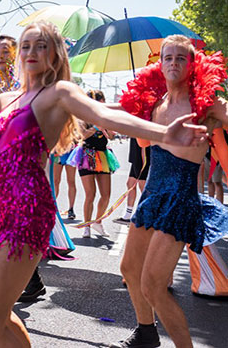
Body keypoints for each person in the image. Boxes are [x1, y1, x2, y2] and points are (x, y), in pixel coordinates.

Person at [0, 21, 207, 346]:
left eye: (40, 46)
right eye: (26, 46)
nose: (31, 52)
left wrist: (162, 133)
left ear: (55, 54)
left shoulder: (59, 92)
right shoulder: (9, 98)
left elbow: (105, 115)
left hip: (25, 213)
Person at [113, 35, 228, 348]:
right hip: (151, 197)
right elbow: (114, 112)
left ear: (192, 64)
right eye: (168, 57)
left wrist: (224, 112)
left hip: (179, 202)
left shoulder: (205, 105)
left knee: (153, 285)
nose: (174, 63)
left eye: (181, 58)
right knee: (129, 269)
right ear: (160, 64)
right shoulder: (155, 103)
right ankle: (146, 333)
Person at [68, 89, 118, 238]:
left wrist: (107, 129)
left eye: (101, 102)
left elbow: (111, 137)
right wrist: (96, 126)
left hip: (103, 155)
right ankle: (87, 225)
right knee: (90, 194)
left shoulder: (106, 116)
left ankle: (98, 221)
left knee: (106, 194)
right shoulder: (82, 117)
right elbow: (82, 135)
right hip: (86, 155)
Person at [114, 137, 150, 225]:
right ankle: (127, 215)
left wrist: (144, 159)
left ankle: (146, 215)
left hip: (142, 155)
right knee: (130, 183)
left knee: (142, 184)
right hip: (136, 156)